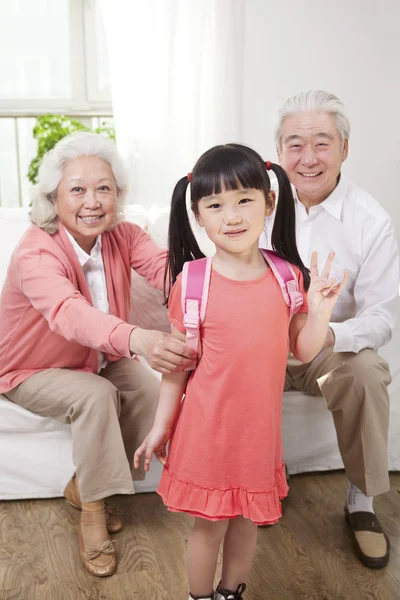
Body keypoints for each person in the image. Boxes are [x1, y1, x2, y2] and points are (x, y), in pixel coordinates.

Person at [134, 143, 347, 600]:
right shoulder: (192, 282)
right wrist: (158, 428)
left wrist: (321, 310)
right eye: (215, 205)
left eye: (244, 200)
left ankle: (231, 593)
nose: (231, 216)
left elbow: (304, 349)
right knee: (209, 527)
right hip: (206, 432)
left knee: (247, 522)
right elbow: (177, 369)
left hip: (258, 435)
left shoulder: (287, 277)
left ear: (269, 202)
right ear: (198, 215)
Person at [0, 131, 196, 577]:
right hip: (31, 368)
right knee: (96, 395)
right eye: (78, 189)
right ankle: (93, 511)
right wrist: (140, 339)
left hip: (99, 358)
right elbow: (69, 313)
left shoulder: (122, 235)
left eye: (103, 188)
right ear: (54, 197)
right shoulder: (36, 251)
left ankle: (79, 484)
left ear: (118, 195)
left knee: (147, 390)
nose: (92, 201)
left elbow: (168, 272)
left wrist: (214, 283)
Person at [260, 89, 399, 568]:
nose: (308, 157)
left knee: (366, 373)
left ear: (344, 148)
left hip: (329, 351)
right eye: (295, 144)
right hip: (262, 346)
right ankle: (256, 482)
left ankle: (361, 502)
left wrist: (324, 333)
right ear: (279, 153)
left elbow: (382, 317)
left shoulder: (370, 221)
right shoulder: (255, 204)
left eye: (322, 142)